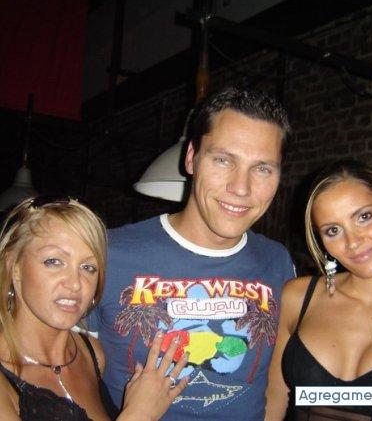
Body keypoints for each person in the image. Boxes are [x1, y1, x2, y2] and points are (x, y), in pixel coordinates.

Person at [88, 86, 296, 420]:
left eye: (262, 169)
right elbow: (67, 378)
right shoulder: (108, 252)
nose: (240, 188)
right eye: (223, 160)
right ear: (191, 158)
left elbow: (277, 379)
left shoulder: (278, 261)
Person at [0, 196, 188, 421]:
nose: (75, 284)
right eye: (54, 261)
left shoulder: (93, 355)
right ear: (14, 266)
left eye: (88, 267)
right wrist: (139, 414)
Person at [266, 160, 372, 420]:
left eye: (364, 217)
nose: (353, 242)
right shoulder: (298, 297)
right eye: (333, 230)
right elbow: (272, 404)